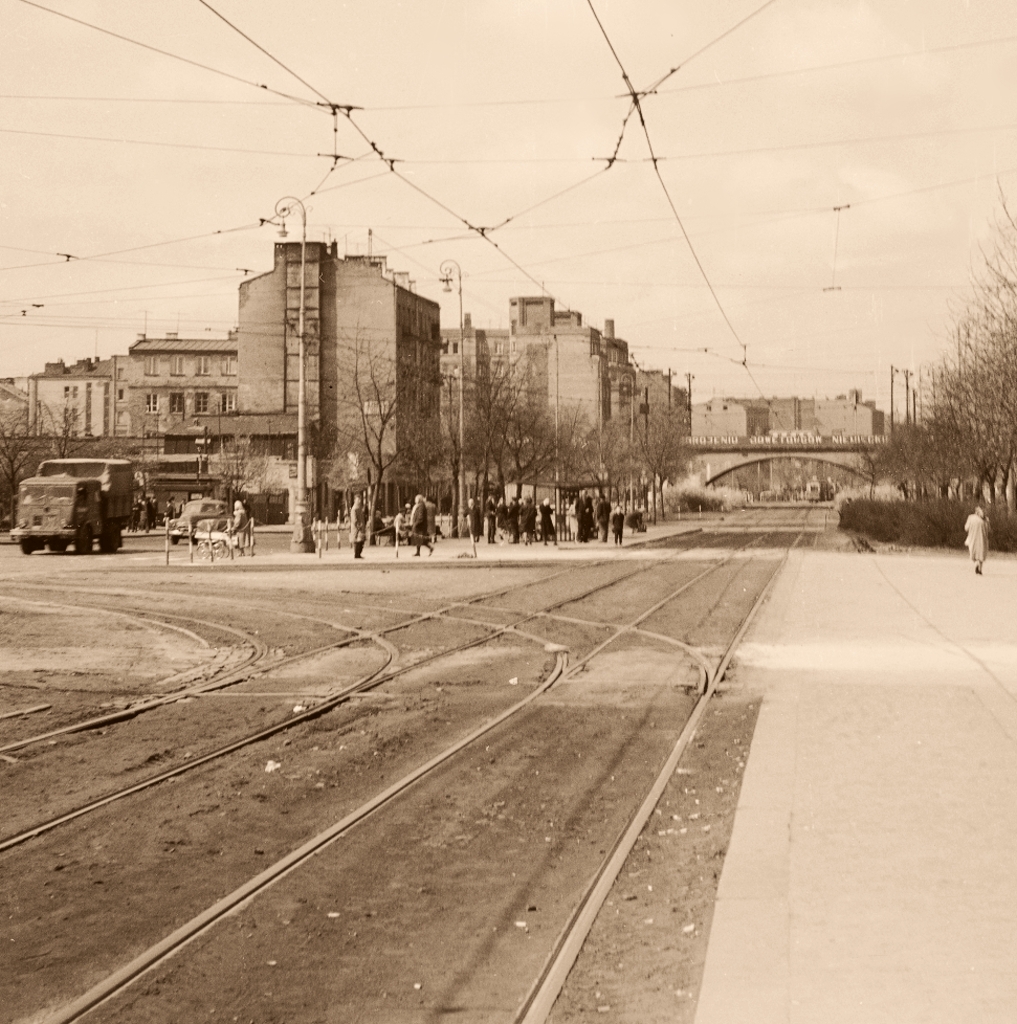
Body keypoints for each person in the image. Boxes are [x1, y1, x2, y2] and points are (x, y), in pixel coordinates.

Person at [964, 504, 989, 575]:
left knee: (973, 553)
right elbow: (988, 530)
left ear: (976, 511)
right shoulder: (986, 519)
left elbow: (966, 528)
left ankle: (977, 564)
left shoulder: (971, 517)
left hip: (973, 538)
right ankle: (980, 569)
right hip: (983, 539)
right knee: (981, 554)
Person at [350, 494, 367, 559]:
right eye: (358, 499)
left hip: (361, 528)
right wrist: (358, 526)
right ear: (355, 500)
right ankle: (357, 554)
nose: (359, 501)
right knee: (358, 541)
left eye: (360, 499)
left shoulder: (360, 508)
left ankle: (358, 554)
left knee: (361, 541)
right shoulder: (354, 509)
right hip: (357, 528)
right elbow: (354, 519)